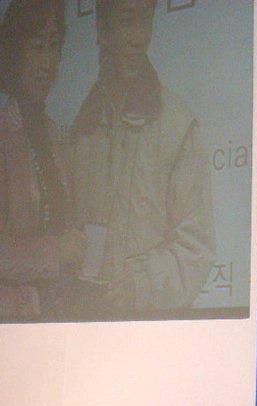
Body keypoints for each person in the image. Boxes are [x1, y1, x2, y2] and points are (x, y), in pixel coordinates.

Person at [68, 0, 215, 315]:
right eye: (126, 19)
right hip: (81, 323)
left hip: (149, 329)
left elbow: (195, 251)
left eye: (145, 20)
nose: (139, 37)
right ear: (101, 28)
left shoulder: (178, 126)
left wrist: (141, 283)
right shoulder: (79, 128)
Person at [0, 0, 86, 320]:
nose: (48, 63)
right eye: (37, 47)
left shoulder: (52, 133)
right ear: (13, 53)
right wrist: (57, 252)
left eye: (54, 48)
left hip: (58, 319)